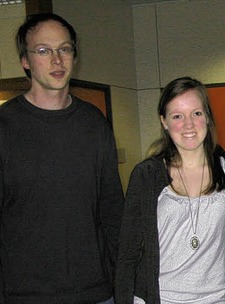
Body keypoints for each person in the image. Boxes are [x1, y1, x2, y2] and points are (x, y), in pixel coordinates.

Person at [0, 13, 123, 303]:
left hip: (96, 291)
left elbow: (112, 210)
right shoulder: (5, 126)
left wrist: (124, 282)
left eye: (64, 49)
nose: (57, 60)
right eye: (43, 50)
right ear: (25, 61)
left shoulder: (94, 123)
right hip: (25, 294)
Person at [115, 77, 225, 303]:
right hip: (160, 298)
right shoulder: (147, 176)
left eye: (196, 113)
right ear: (164, 122)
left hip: (217, 298)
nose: (188, 125)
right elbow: (127, 253)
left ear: (207, 117)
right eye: (177, 116)